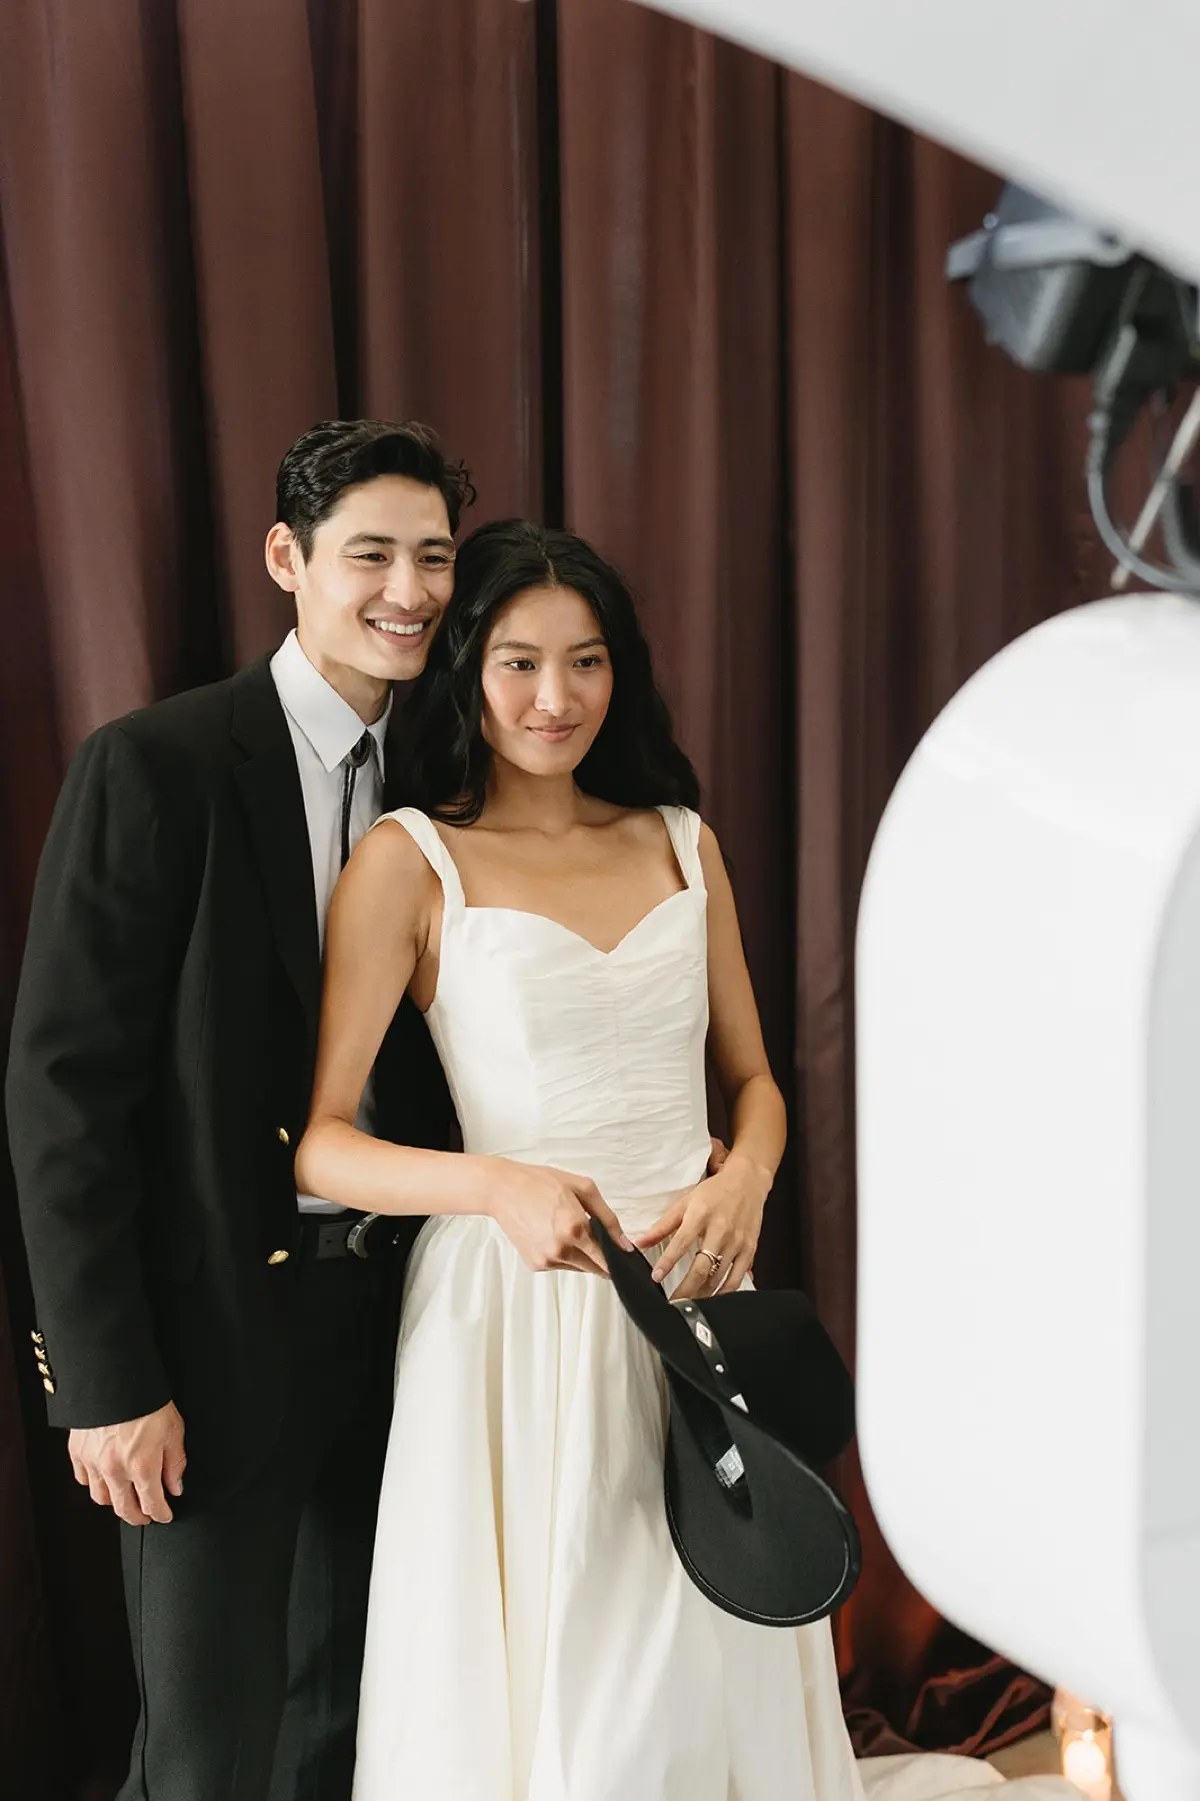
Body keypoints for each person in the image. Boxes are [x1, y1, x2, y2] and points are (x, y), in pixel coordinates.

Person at [295, 516, 863, 1801]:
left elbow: (757, 1084)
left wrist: (746, 1179)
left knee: (712, 1637)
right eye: (517, 662)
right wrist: (494, 1182)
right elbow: (326, 1142)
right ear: (465, 672)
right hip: (517, 1312)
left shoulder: (680, 839)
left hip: (691, 1289)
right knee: (568, 1666)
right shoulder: (408, 863)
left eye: (588, 661)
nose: (558, 698)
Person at [5, 419, 472, 1801]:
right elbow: (61, 1093)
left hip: (411, 1323)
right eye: (371, 554)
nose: (410, 591)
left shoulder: (457, 777)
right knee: (209, 1758)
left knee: (358, 1724)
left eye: (434, 558)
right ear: (289, 557)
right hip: (207, 1348)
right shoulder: (156, 766)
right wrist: (106, 1382)